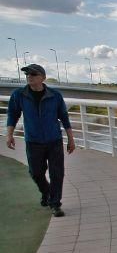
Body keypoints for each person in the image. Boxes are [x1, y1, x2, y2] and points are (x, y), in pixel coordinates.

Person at [5, 64, 76, 217]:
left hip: (54, 140)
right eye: (27, 74)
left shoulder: (54, 95)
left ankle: (55, 204)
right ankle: (47, 193)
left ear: (42, 77)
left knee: (57, 173)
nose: (29, 76)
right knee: (35, 172)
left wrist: (71, 139)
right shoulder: (19, 95)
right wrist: (9, 135)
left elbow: (64, 117)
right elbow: (12, 115)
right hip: (33, 140)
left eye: (33, 74)